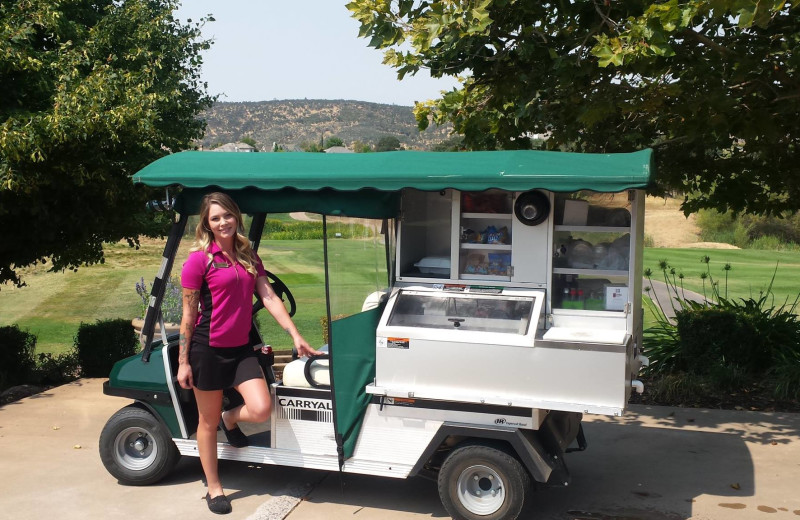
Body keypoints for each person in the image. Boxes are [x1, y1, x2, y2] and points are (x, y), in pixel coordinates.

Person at [177, 192, 318, 515]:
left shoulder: (248, 255)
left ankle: (231, 417)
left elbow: (267, 295)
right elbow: (188, 315)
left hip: (241, 349)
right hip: (206, 350)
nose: (223, 222)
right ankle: (214, 488)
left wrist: (295, 334)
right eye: (215, 218)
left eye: (227, 215)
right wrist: (184, 362)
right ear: (206, 224)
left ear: (236, 216)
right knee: (206, 423)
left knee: (261, 408)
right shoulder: (199, 260)